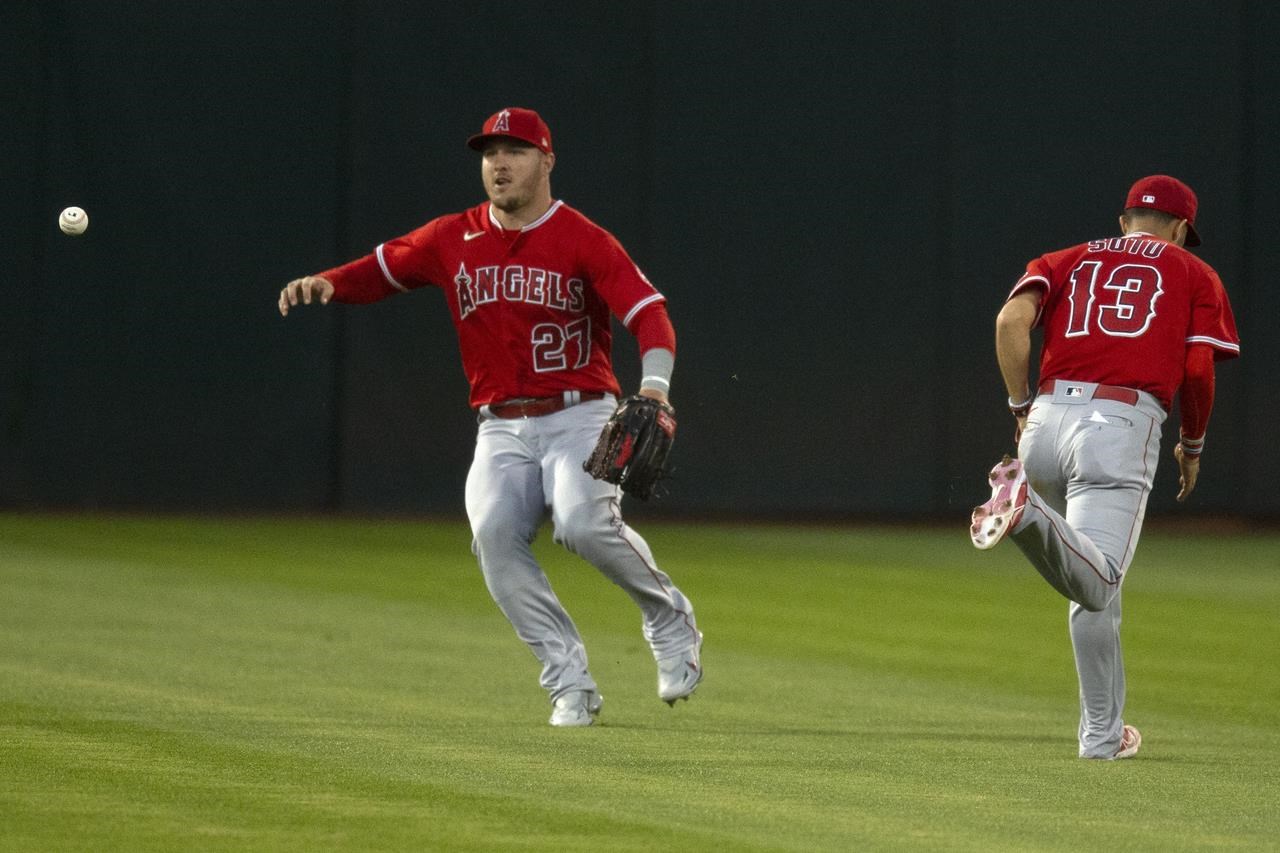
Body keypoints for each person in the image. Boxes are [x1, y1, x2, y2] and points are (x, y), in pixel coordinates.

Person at [278, 107, 702, 727]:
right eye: (489, 153)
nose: (499, 163)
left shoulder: (582, 237)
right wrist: (327, 282)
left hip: (581, 415)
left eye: (516, 150)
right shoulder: (453, 237)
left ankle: (668, 616)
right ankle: (570, 684)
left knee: (582, 524)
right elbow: (384, 270)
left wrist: (656, 388)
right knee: (494, 538)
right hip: (500, 425)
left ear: (547, 161)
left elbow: (648, 312)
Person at [969, 175, 1239, 759]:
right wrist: (1191, 445)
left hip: (1042, 423)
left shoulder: (1063, 259)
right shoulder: (1195, 272)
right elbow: (1197, 372)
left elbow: (1008, 323)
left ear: (1124, 221)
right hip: (1118, 427)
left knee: (1092, 582)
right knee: (1101, 581)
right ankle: (1025, 516)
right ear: (1184, 229)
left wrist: (1020, 407)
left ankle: (1102, 738)